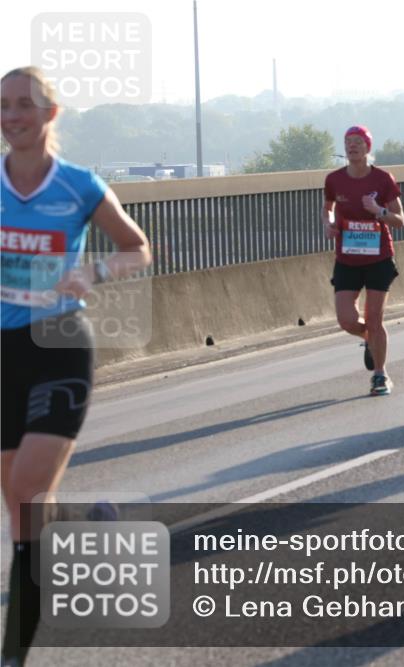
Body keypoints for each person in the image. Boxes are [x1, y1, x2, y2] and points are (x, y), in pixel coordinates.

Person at [1, 66, 151, 666]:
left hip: (60, 343)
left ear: (51, 115)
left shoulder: (80, 186)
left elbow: (137, 246)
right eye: (4, 106)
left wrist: (94, 272)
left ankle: (14, 654)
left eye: (25, 106)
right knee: (21, 510)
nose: (13, 116)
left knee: (28, 494)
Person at [323, 125, 404, 396]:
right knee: (346, 320)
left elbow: (400, 220)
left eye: (358, 142)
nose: (352, 146)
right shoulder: (334, 179)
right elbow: (328, 210)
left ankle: (380, 375)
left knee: (374, 317)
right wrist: (329, 224)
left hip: (378, 257)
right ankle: (370, 339)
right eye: (348, 142)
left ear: (367, 147)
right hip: (347, 258)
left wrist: (379, 210)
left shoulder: (382, 179)